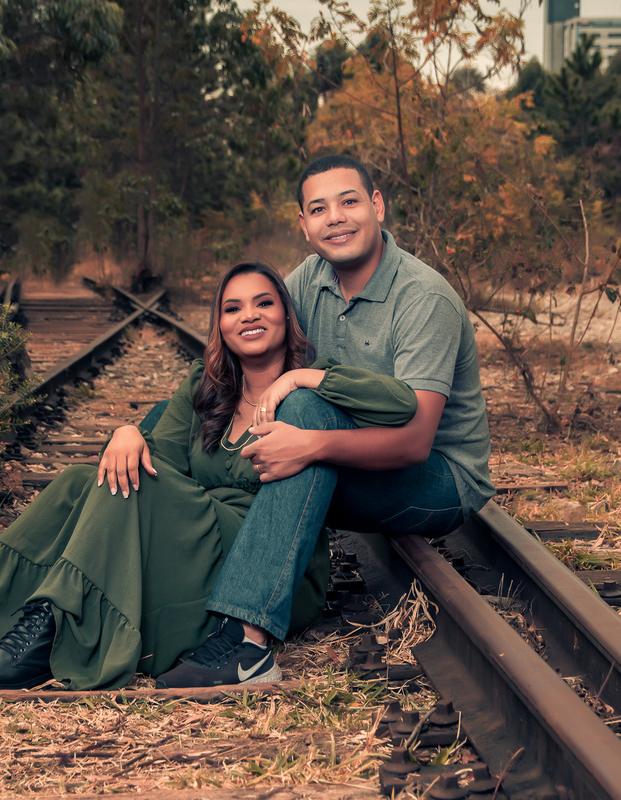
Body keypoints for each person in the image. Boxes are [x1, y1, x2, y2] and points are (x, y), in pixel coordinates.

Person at [0, 262, 419, 691]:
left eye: (263, 303)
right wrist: (128, 432)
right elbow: (157, 460)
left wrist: (300, 379)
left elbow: (400, 405)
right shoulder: (207, 386)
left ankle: (48, 630)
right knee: (81, 480)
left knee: (130, 485)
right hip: (193, 539)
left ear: (286, 316)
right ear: (220, 326)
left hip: (263, 560)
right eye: (233, 308)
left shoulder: (317, 385)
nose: (249, 316)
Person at [157, 155, 495, 689]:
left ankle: (248, 646)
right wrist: (140, 431)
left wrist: (310, 443)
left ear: (377, 206)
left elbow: (414, 442)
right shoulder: (308, 281)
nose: (335, 218)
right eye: (319, 209)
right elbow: (233, 364)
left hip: (437, 476)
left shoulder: (423, 297)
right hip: (352, 454)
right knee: (251, 442)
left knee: (301, 413)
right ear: (304, 225)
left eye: (349, 201)